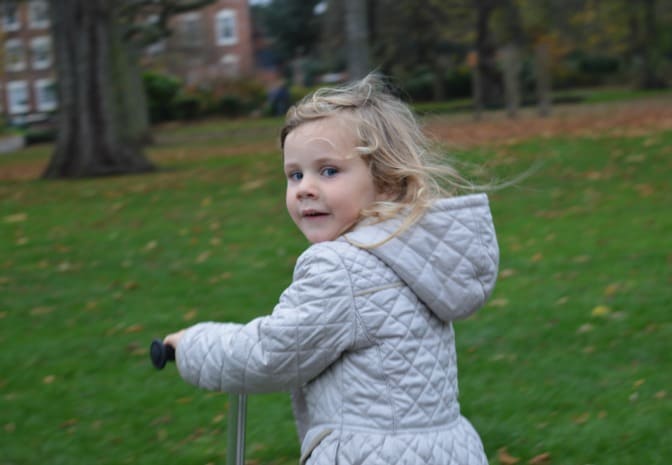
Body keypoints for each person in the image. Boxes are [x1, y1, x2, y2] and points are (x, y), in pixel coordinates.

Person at [163, 73, 499, 465]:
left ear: (386, 181)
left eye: (328, 171)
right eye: (295, 174)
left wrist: (194, 343)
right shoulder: (413, 255)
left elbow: (271, 355)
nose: (305, 187)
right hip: (448, 449)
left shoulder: (340, 266)